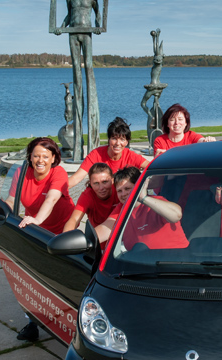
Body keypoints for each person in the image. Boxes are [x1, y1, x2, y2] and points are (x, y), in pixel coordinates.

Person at [0, 137, 75, 342]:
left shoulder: (59, 173)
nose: (40, 160)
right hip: (33, 229)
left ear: (54, 158)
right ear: (30, 156)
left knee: (59, 277)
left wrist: (37, 219)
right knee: (32, 279)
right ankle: (32, 322)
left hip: (60, 231)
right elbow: (12, 199)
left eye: (46, 156)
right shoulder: (21, 172)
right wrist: (0, 205)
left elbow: (52, 198)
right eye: (36, 155)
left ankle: (69, 321)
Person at [54, 0, 103, 159]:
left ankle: (91, 147)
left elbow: (98, 13)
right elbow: (70, 15)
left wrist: (98, 25)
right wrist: (61, 27)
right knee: (76, 68)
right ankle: (77, 151)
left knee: (88, 66)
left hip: (86, 31)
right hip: (73, 32)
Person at [95, 167, 187, 250]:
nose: (123, 194)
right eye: (119, 191)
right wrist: (84, 241)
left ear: (139, 187)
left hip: (177, 261)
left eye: (127, 188)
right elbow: (105, 228)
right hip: (142, 263)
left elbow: (176, 215)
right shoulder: (122, 208)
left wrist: (143, 198)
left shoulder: (156, 202)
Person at [68, 117, 149, 189]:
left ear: (127, 142)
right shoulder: (96, 154)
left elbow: (152, 167)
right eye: (114, 138)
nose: (118, 143)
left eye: (122, 139)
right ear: (109, 140)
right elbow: (76, 178)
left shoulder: (130, 156)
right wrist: (58, 191)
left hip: (122, 198)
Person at [63, 163, 119, 232]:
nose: (101, 188)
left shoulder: (120, 190)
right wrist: (66, 237)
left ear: (112, 180)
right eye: (96, 183)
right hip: (97, 238)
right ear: (90, 183)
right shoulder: (88, 195)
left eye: (105, 182)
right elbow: (74, 219)